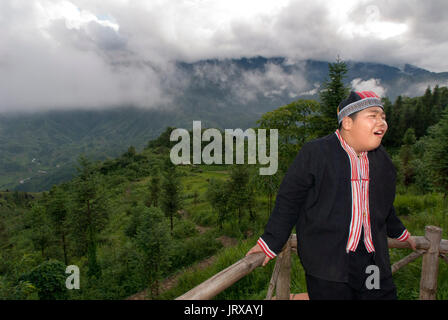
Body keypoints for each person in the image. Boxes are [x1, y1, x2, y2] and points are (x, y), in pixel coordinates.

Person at [246, 90, 416, 300]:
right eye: (372, 116)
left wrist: (400, 233)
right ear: (347, 123)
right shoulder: (315, 154)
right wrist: (269, 243)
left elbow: (384, 205)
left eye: (383, 117)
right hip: (328, 265)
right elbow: (290, 201)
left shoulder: (383, 161)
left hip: (372, 261)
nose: (381, 122)